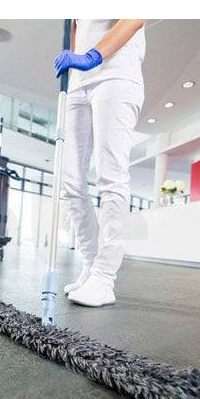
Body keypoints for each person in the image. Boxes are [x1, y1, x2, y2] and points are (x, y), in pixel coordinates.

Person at [53, 19, 146, 307]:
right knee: (70, 182)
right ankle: (91, 264)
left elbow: (135, 17)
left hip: (116, 74)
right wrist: (73, 61)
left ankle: (105, 277)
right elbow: (75, 28)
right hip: (78, 84)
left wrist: (92, 56)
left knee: (110, 177)